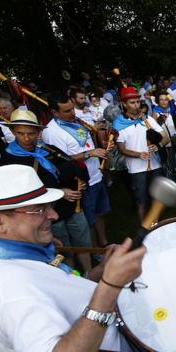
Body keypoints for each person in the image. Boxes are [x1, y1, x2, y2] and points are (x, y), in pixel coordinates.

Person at [0, 165, 149, 352]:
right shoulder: (6, 285)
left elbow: (56, 296)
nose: (54, 215)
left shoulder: (17, 256)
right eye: (38, 209)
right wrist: (110, 286)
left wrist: (98, 273)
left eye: (49, 206)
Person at [0, 109, 92, 273]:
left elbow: (70, 166)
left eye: (31, 133)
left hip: (71, 204)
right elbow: (18, 193)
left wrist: (80, 182)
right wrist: (59, 191)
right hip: (44, 213)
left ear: (38, 132)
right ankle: (68, 279)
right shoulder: (8, 159)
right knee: (62, 249)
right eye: (20, 133)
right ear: (13, 132)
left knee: (83, 244)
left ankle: (90, 274)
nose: (26, 138)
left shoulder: (48, 149)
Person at [43, 94, 111, 247]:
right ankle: (95, 253)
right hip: (82, 182)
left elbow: (86, 144)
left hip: (96, 175)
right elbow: (62, 161)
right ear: (54, 112)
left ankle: (104, 243)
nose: (72, 113)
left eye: (72, 109)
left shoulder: (75, 123)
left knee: (100, 214)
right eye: (67, 111)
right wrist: (89, 154)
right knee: (89, 221)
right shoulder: (52, 132)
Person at [113, 87, 168, 221]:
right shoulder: (119, 123)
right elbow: (122, 149)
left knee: (157, 197)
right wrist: (139, 155)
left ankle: (157, 225)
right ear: (124, 104)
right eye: (132, 103)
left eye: (138, 102)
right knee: (141, 200)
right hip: (136, 168)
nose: (137, 105)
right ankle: (144, 229)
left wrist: (158, 145)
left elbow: (164, 136)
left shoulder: (147, 119)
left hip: (155, 165)